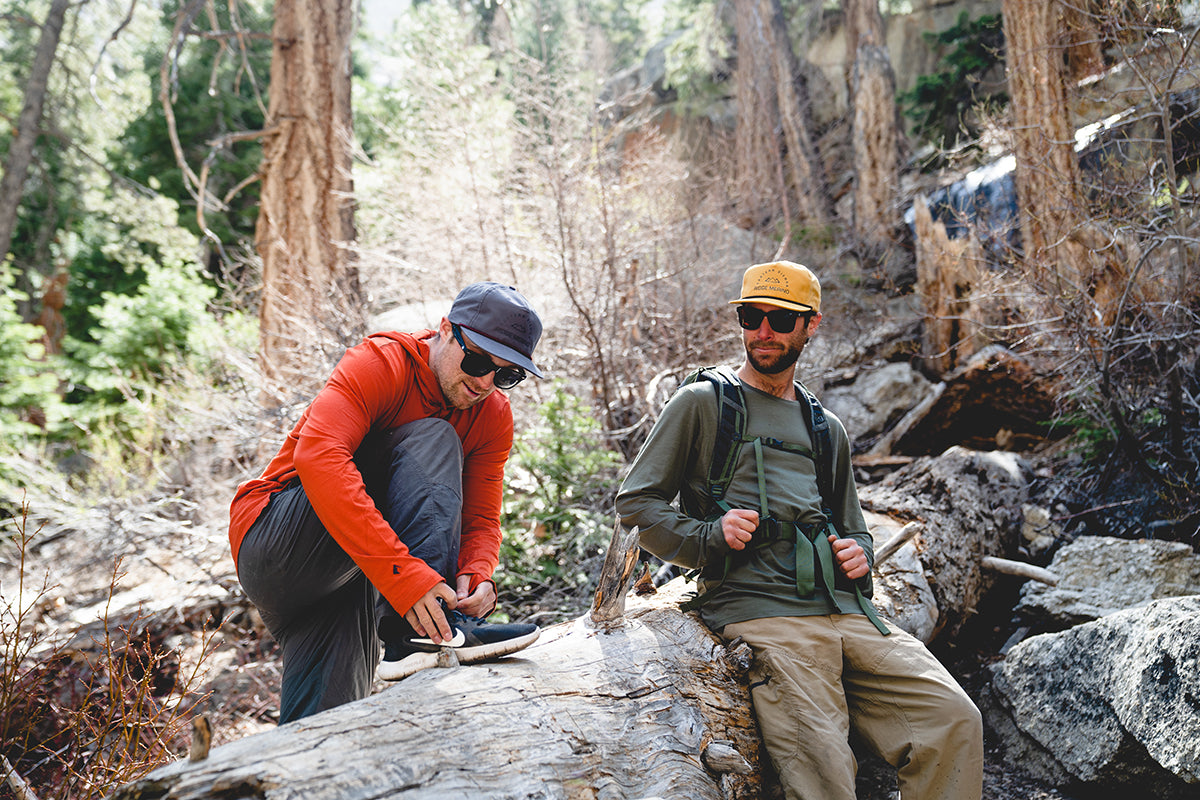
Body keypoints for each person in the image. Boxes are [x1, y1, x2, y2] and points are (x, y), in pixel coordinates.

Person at [615, 261, 983, 799]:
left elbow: (853, 526)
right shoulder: (703, 404)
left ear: (811, 326)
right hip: (760, 611)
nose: (763, 331)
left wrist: (860, 554)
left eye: (781, 320)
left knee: (953, 720)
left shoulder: (824, 426)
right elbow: (636, 504)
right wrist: (708, 537)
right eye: (751, 316)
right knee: (826, 770)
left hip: (847, 612)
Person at [229, 281, 546, 723]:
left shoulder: (492, 417)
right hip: (274, 537)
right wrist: (407, 584)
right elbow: (319, 459)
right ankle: (414, 634)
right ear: (443, 330)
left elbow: (481, 517)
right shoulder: (381, 363)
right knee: (435, 435)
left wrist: (476, 576)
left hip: (344, 574)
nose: (484, 382)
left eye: (506, 375)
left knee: (327, 731)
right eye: (475, 360)